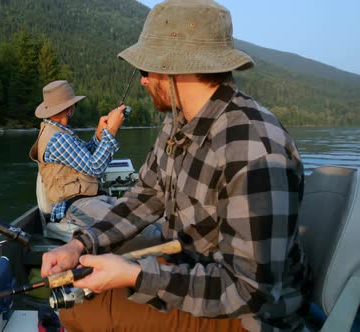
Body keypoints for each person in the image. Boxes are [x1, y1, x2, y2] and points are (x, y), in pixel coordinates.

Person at [40, 1, 310, 331]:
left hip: (249, 317)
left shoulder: (253, 148)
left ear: (174, 71)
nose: (142, 81)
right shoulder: (177, 124)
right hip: (191, 271)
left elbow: (249, 291)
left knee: (79, 312)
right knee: (75, 295)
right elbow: (144, 198)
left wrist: (136, 276)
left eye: (146, 69)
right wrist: (79, 244)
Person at [29, 80, 125, 224]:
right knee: (128, 223)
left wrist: (99, 134)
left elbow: (84, 157)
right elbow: (95, 168)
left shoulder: (59, 132)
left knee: (137, 213)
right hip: (74, 206)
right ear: (69, 109)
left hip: (88, 200)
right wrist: (111, 131)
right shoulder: (58, 138)